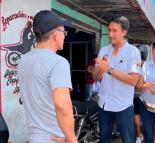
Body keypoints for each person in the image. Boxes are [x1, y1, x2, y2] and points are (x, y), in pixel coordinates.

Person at [18, 10, 78, 143]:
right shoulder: (58, 62)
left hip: (33, 137)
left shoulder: (23, 61)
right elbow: (62, 104)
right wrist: (71, 139)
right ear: (56, 34)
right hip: (54, 138)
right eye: (64, 32)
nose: (64, 36)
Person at [92, 16, 141, 143]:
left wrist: (109, 69)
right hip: (104, 104)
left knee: (128, 140)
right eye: (109, 30)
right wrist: (99, 69)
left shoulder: (133, 52)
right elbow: (96, 77)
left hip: (123, 106)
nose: (110, 34)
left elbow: (133, 80)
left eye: (114, 31)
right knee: (103, 139)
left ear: (124, 32)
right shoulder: (104, 50)